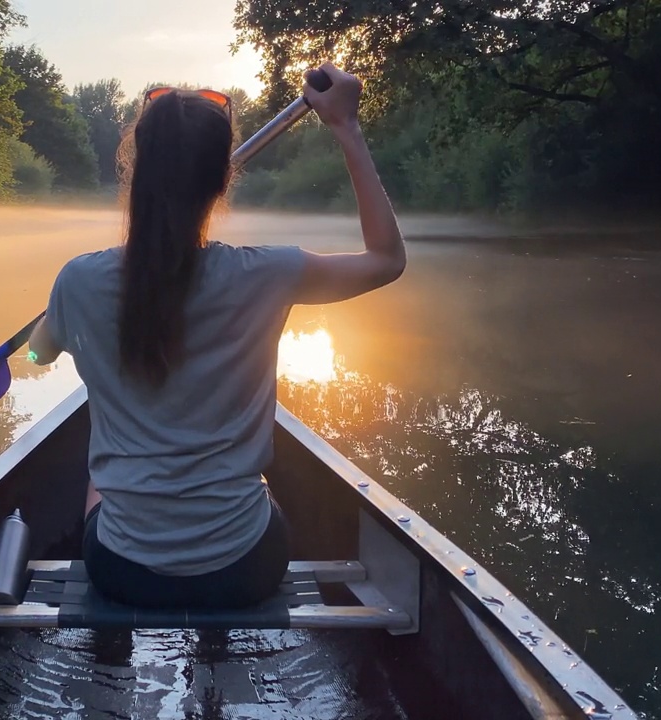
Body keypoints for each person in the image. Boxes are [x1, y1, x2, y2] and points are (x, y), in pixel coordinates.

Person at [27, 62, 406, 610]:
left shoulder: (79, 279)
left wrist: (54, 315)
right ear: (223, 181)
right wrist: (346, 127)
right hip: (244, 568)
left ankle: (112, 661)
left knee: (97, 478)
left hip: (122, 570)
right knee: (259, 495)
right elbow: (386, 260)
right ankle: (212, 683)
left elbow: (39, 355)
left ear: (135, 174)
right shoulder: (271, 273)